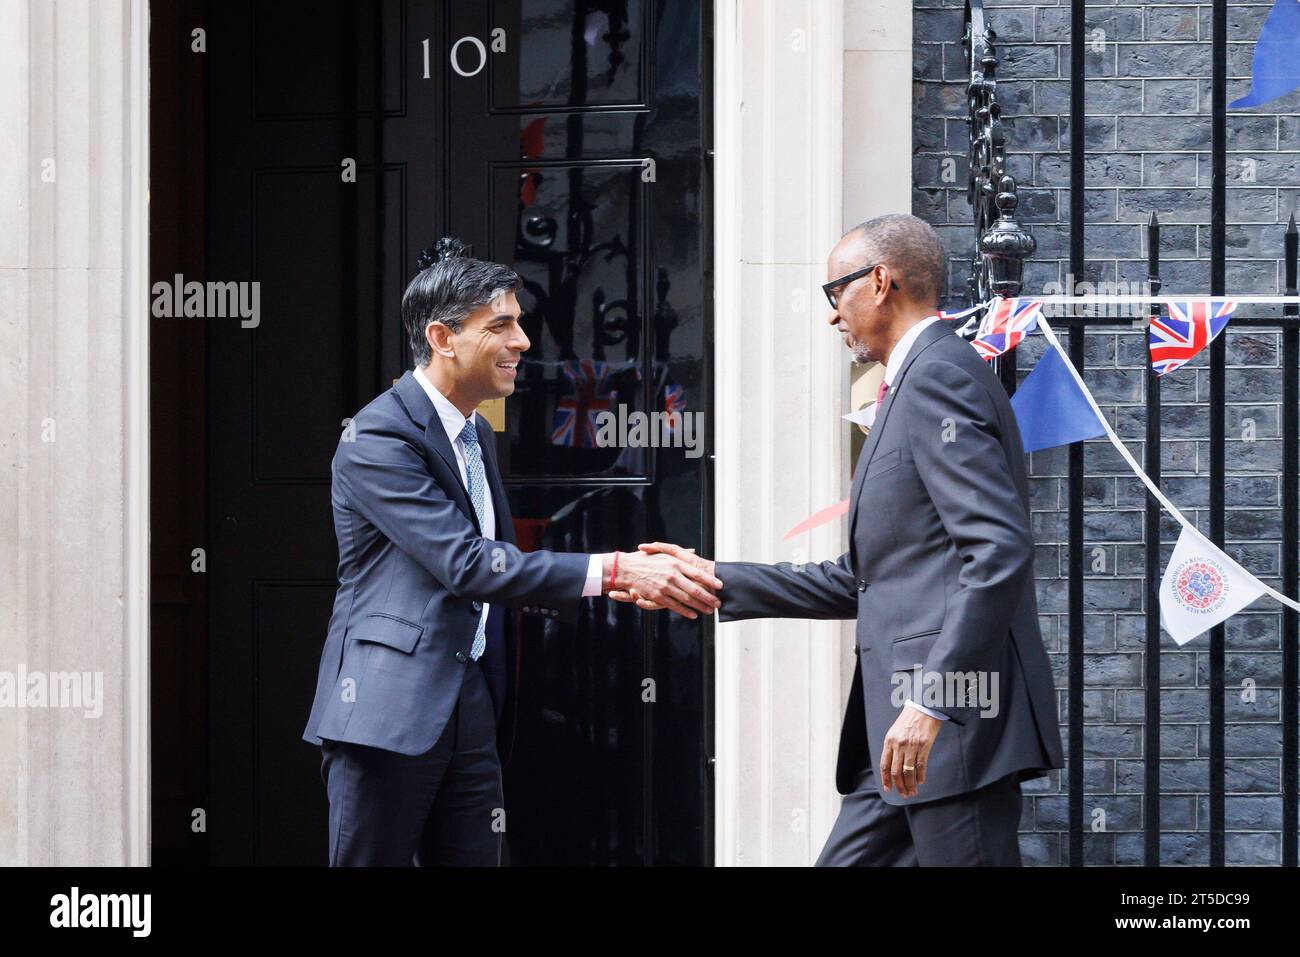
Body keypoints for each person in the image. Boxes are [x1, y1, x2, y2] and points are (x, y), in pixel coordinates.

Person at [615, 214, 1064, 866]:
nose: (832, 316)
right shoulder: (916, 380)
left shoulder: (939, 376)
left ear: (880, 282)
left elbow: (996, 551)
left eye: (836, 293)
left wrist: (932, 703)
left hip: (946, 733)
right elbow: (867, 574)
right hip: (898, 741)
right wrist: (711, 578)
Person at [302, 238, 722, 865]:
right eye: (501, 325)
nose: (523, 341)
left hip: (471, 699)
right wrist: (612, 570)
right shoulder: (377, 437)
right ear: (443, 338)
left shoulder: (473, 429)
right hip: (386, 708)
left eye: (519, 322)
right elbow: (467, 563)